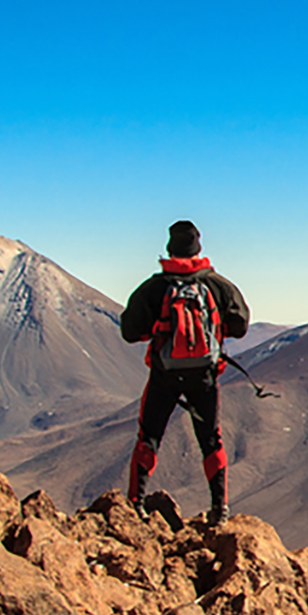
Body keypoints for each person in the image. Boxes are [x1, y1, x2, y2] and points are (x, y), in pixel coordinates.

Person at [121, 220, 251, 524]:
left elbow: (130, 331)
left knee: (149, 436)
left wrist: (159, 330)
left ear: (170, 248)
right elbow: (240, 326)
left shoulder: (154, 288)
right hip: (204, 377)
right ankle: (219, 509)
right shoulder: (217, 285)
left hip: (164, 375)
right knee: (211, 440)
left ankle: (135, 504)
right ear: (198, 248)